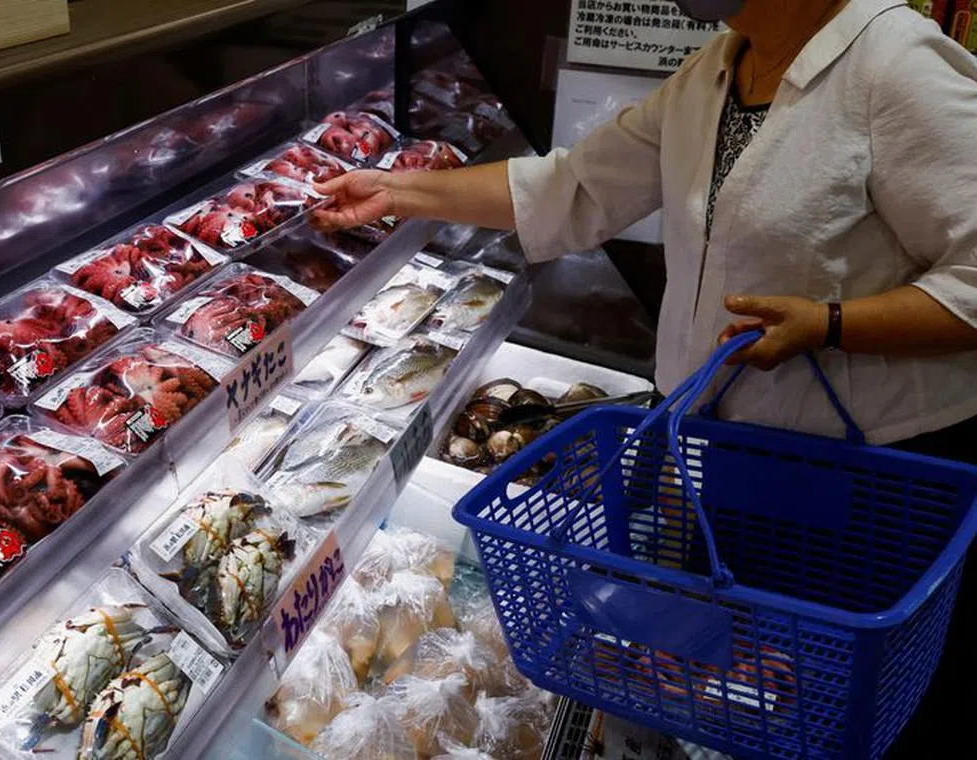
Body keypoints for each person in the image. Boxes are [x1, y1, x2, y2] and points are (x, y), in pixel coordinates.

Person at [312, 0, 977, 754]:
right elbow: (575, 186)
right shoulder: (722, 66)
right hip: (721, 461)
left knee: (834, 705)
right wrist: (399, 193)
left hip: (864, 484)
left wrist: (829, 325)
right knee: (749, 694)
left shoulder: (896, 63)